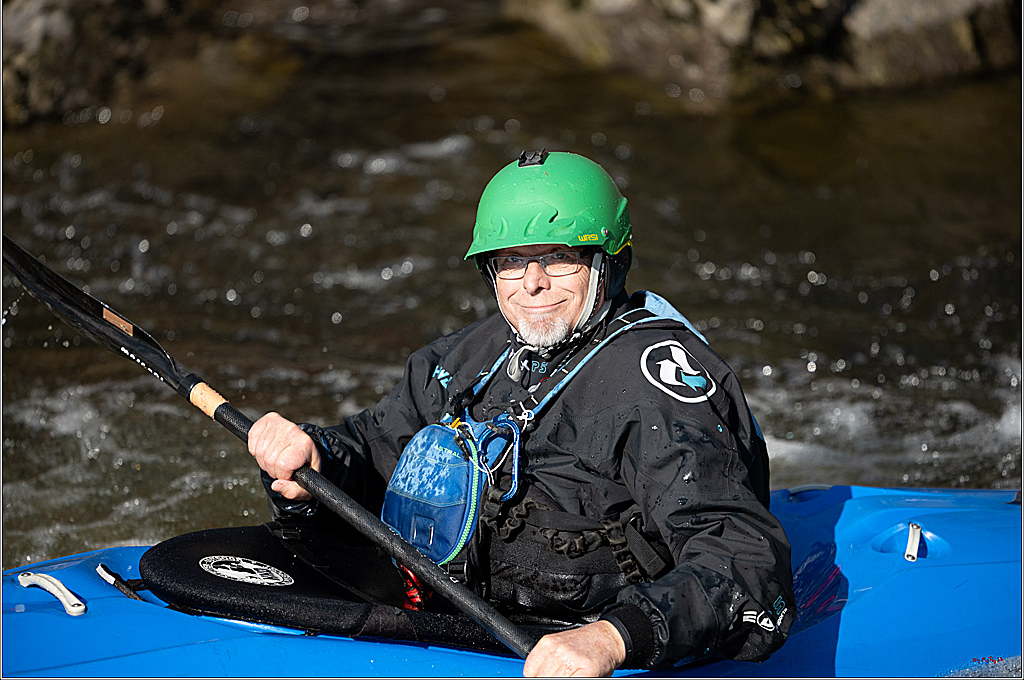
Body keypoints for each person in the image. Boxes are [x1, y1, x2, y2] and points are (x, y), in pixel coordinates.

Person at [248, 149, 794, 677]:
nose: (531, 282)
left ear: (608, 262)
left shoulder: (656, 388)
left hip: (577, 635)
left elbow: (742, 554)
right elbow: (375, 447)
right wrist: (318, 456)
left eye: (557, 257)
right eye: (510, 262)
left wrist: (613, 637)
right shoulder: (470, 357)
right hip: (461, 623)